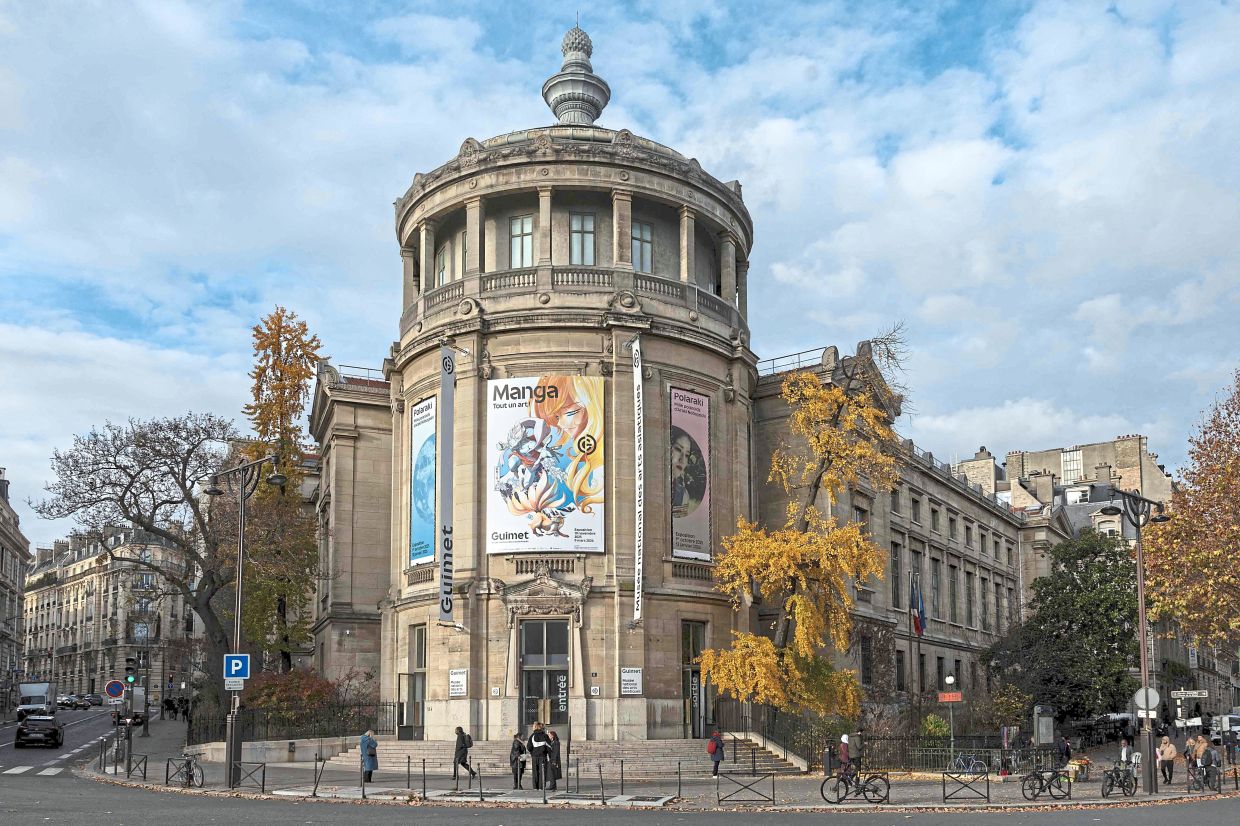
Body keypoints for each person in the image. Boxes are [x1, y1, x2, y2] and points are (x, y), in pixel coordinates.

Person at [528, 722, 550, 789]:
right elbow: (549, 747)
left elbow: (529, 747)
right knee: (542, 772)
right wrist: (546, 753)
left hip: (534, 757)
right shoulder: (545, 736)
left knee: (535, 772)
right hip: (543, 756)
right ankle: (541, 787)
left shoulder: (532, 736)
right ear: (541, 728)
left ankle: (535, 787)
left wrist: (532, 753)